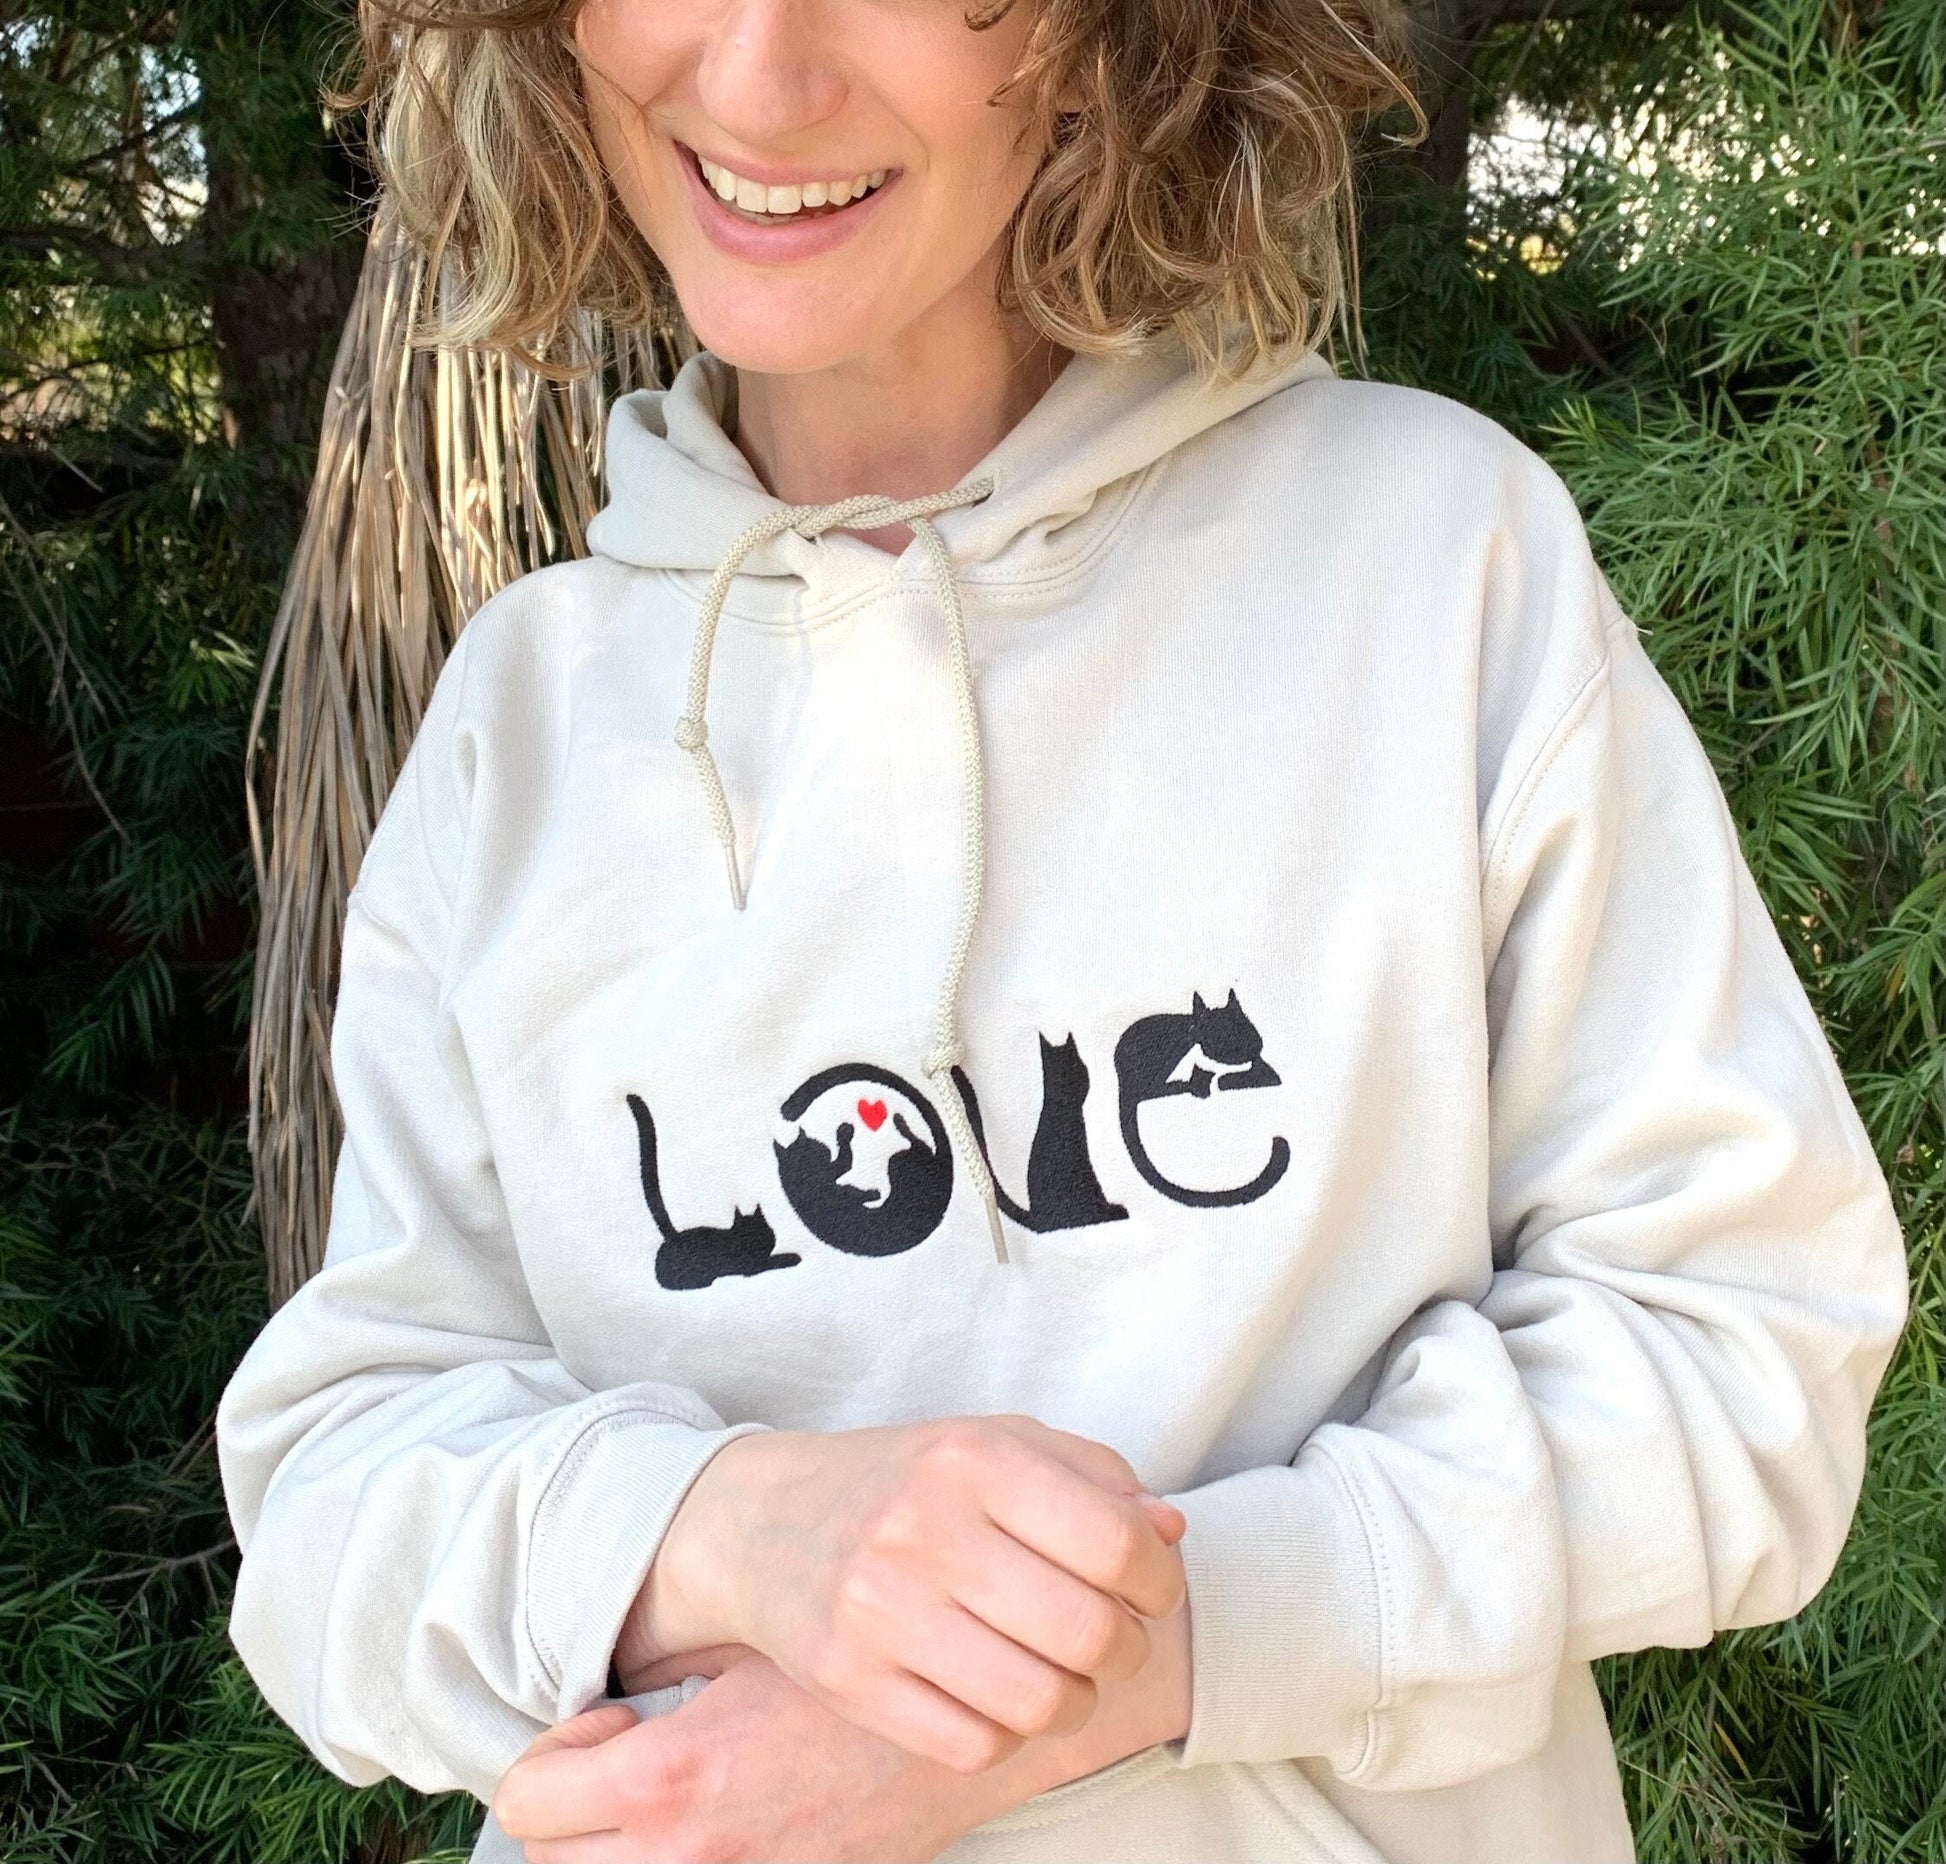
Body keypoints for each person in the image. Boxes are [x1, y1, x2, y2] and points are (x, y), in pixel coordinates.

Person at [213, 2, 1911, 1861]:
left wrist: (1142, 1659)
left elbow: (1744, 1350)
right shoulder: (517, 730)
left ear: (1129, 31)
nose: (760, 80)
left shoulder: (1430, 565)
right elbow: (336, 1509)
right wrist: (726, 1532)